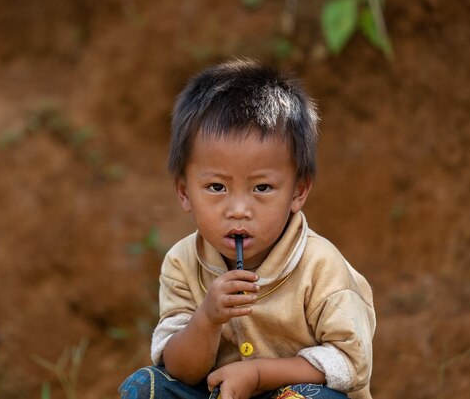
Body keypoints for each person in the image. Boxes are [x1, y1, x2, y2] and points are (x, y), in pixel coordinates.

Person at [119, 59, 375, 399]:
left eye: (262, 188)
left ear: (298, 191)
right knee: (145, 388)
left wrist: (257, 374)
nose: (239, 210)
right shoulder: (182, 263)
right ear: (184, 192)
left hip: (291, 393)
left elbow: (350, 364)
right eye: (216, 187)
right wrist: (207, 319)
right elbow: (179, 370)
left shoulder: (321, 268)